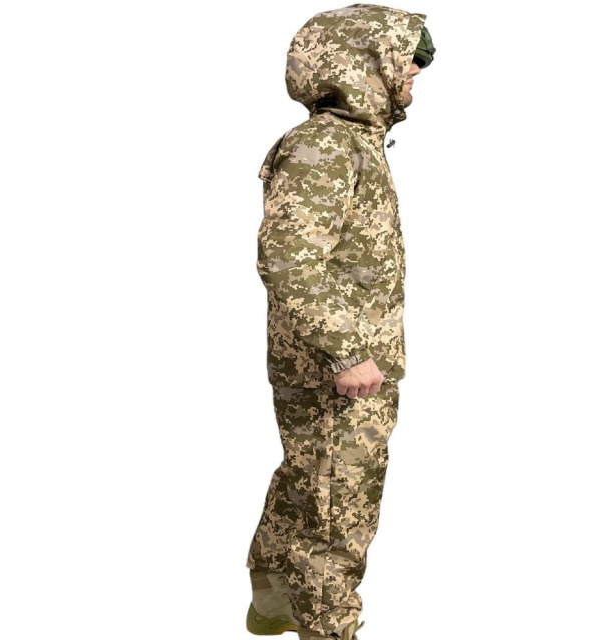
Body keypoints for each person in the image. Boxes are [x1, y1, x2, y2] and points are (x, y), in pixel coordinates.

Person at [246, 4, 436, 639]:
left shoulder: (352, 144)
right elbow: (288, 257)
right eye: (409, 56)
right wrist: (346, 350)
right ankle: (328, 629)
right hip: (340, 370)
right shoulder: (325, 145)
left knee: (309, 482)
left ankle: (273, 600)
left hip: (345, 363)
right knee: (336, 511)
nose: (416, 69)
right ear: (362, 61)